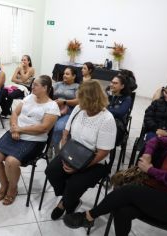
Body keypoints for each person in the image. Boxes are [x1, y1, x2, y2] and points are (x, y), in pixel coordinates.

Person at [63, 112, 167, 236]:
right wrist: (148, 154)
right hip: (161, 190)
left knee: (127, 191)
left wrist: (150, 169)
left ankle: (88, 216)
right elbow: (155, 141)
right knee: (122, 208)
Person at [45, 80, 117, 220]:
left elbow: (103, 152)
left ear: (92, 100)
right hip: (73, 151)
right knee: (51, 171)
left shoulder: (107, 119)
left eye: (82, 99)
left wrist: (79, 167)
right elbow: (66, 131)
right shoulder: (79, 108)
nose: (79, 102)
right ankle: (69, 199)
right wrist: (63, 152)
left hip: (95, 160)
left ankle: (64, 203)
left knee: (74, 184)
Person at [0, 75, 60, 205]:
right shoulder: (29, 97)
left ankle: (12, 189)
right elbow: (15, 113)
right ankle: (4, 185)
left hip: (34, 140)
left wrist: (19, 130)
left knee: (11, 161)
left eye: (36, 85)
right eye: (33, 84)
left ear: (45, 88)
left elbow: (43, 128)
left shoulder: (52, 106)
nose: (32, 86)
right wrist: (14, 127)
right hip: (15, 132)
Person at [51, 66, 79, 151]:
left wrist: (64, 102)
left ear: (73, 76)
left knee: (59, 128)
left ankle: (56, 150)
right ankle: (50, 147)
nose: (64, 75)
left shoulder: (77, 86)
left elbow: (78, 101)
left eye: (67, 74)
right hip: (54, 109)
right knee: (47, 126)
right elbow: (48, 93)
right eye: (64, 74)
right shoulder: (58, 84)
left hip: (68, 112)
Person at [106, 75, 132, 144]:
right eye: (112, 82)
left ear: (122, 86)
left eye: (115, 83)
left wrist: (104, 109)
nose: (111, 85)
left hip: (117, 126)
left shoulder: (127, 98)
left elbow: (120, 113)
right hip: (104, 121)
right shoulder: (108, 95)